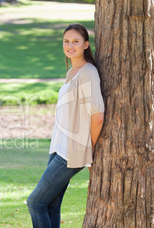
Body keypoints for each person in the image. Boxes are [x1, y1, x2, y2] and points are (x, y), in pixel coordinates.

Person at [26, 23, 105, 228]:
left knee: (35, 202)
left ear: (86, 44)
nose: (70, 46)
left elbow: (97, 116)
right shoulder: (71, 71)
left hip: (72, 152)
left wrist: (90, 148)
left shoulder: (88, 72)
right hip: (58, 147)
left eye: (76, 41)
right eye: (66, 41)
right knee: (50, 205)